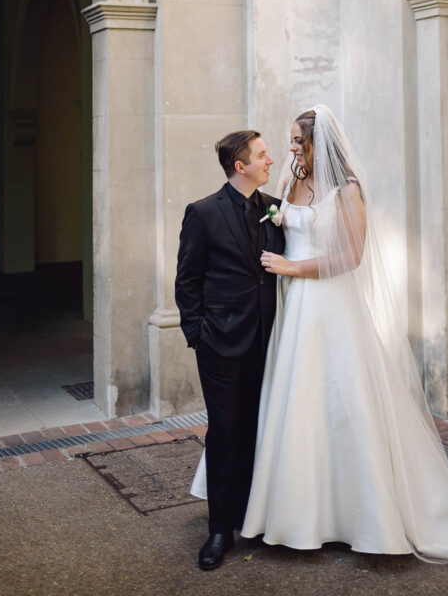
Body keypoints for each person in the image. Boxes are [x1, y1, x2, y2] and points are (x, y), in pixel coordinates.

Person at [240, 105, 448, 561]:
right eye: (288, 141)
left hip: (330, 304)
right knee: (299, 403)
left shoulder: (348, 191)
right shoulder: (291, 184)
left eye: (296, 140)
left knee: (344, 402)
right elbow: (280, 224)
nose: (290, 148)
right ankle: (297, 513)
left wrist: (292, 266)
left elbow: (351, 256)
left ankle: (364, 515)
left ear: (318, 142)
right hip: (294, 312)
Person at [175, 129, 285, 571]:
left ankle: (249, 514)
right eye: (262, 155)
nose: (270, 160)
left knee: (258, 428)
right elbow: (187, 280)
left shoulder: (275, 208)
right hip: (219, 342)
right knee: (224, 432)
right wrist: (197, 333)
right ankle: (219, 529)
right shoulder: (202, 212)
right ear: (240, 166)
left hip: (267, 339)